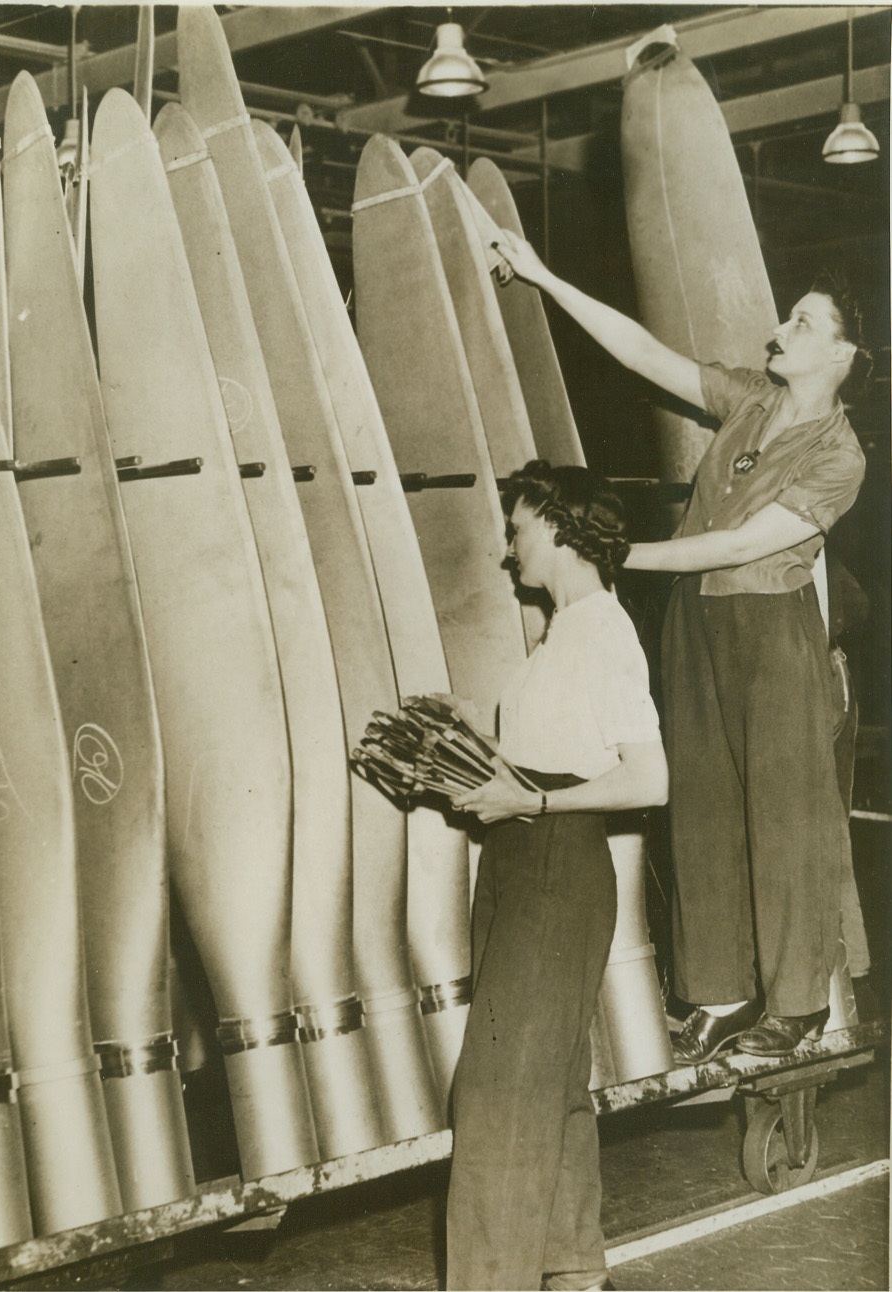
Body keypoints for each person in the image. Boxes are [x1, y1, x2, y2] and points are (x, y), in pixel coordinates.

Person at [493, 230, 868, 1063]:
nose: (780, 329)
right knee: (699, 806)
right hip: (696, 622)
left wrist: (623, 557)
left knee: (785, 814)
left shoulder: (842, 456)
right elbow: (641, 353)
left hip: (771, 630)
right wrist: (546, 274)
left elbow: (743, 545)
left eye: (802, 323)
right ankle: (721, 995)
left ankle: (799, 1002)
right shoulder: (749, 400)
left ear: (843, 351)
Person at [445, 463, 668, 1291]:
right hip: (520, 862)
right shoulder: (562, 633)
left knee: (496, 1094)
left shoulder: (605, 629)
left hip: (553, 865)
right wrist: (476, 738)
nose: (509, 549)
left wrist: (532, 801)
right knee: (548, 1079)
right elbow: (551, 755)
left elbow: (650, 778)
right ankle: (572, 1271)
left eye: (517, 528)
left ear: (559, 523)